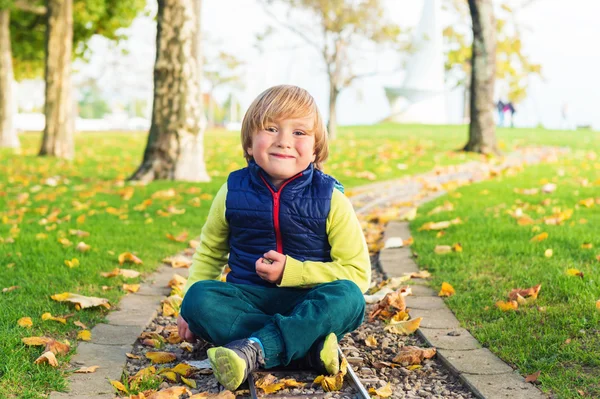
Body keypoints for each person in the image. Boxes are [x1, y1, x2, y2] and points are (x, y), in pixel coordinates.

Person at [178, 85, 371, 391]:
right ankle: (307, 350)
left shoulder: (330, 198)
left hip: (308, 301)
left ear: (316, 147)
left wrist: (293, 272)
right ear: (250, 143)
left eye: (299, 133)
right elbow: (210, 254)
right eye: (270, 128)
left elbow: (358, 273)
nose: (284, 141)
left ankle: (252, 348)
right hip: (247, 299)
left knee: (349, 297)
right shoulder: (231, 191)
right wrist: (186, 310)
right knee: (198, 298)